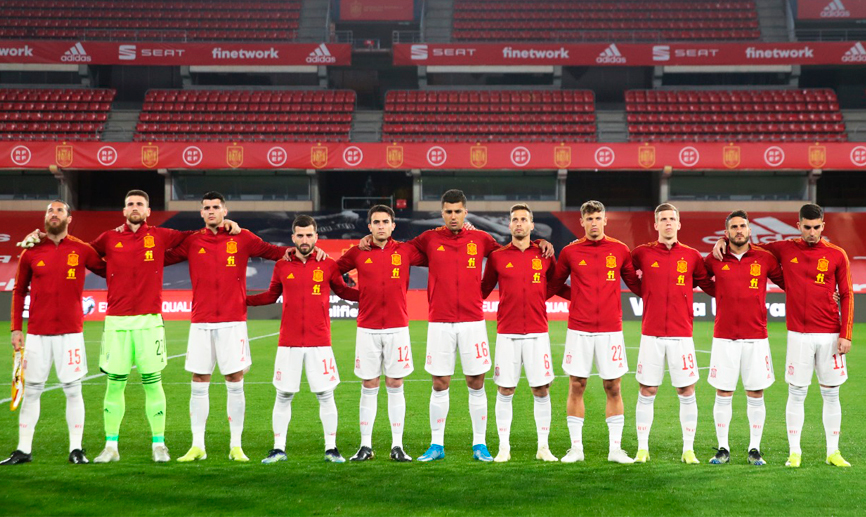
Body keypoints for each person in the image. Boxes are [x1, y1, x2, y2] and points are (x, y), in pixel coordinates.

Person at [360, 189, 553, 462]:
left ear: (465, 212)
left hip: (473, 322)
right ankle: (436, 445)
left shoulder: (481, 239)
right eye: (448, 212)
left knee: (477, 382)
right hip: (439, 322)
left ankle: (480, 444)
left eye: (458, 211)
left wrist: (540, 243)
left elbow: (514, 250)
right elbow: (397, 248)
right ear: (443, 213)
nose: (453, 216)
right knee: (439, 383)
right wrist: (371, 238)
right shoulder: (428, 239)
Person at [713, 203, 853, 468]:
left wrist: (845, 334)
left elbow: (847, 294)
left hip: (830, 334)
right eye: (807, 227)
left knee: (831, 394)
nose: (812, 232)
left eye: (816, 227)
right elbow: (743, 244)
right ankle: (795, 452)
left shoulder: (838, 254)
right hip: (798, 334)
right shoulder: (782, 248)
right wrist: (722, 240)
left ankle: (833, 452)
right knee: (797, 393)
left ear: (823, 226)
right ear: (798, 226)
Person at [164, 191, 290, 463]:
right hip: (201, 321)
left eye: (216, 207)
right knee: (199, 381)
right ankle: (197, 445)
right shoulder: (192, 240)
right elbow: (158, 257)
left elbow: (275, 252)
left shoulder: (242, 238)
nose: (211, 211)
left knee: (235, 380)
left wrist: (309, 249)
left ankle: (236, 446)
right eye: (206, 207)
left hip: (233, 321)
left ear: (225, 210)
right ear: (201, 213)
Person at [248, 215, 359, 464]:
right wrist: (241, 299)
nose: (305, 239)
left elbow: (343, 291)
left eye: (309, 235)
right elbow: (269, 296)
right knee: (283, 395)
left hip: (320, 341)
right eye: (300, 235)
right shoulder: (282, 265)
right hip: (288, 342)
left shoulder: (328, 265)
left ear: (316, 237)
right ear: (293, 238)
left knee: (326, 395)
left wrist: (372, 294)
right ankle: (278, 448)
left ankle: (331, 448)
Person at [1, 201, 105, 465]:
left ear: (69, 218)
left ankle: (76, 449)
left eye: (59, 211)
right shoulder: (31, 251)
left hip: (70, 333)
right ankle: (23, 450)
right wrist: (16, 328)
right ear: (45, 217)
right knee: (33, 390)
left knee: (73, 390)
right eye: (50, 211)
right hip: (37, 333)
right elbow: (19, 290)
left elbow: (108, 269)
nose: (54, 214)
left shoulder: (82, 249)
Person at [547, 200, 641, 464]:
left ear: (605, 220)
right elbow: (554, 284)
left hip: (611, 330)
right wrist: (575, 294)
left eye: (598, 218)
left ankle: (615, 449)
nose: (594, 223)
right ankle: (576, 449)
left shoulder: (620, 250)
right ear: (582, 222)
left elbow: (635, 284)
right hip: (579, 329)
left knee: (613, 386)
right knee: (577, 385)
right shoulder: (570, 252)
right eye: (589, 219)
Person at [336, 205, 426, 462]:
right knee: (369, 384)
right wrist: (353, 295)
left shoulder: (405, 250)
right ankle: (366, 446)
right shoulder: (357, 252)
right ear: (369, 226)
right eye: (376, 222)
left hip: (398, 328)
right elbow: (332, 273)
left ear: (393, 225)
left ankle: (397, 445)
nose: (381, 226)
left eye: (385, 221)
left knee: (396, 384)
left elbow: (436, 254)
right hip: (367, 328)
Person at [480, 203, 568, 463]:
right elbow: (482, 290)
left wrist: (576, 297)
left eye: (523, 219)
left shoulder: (544, 254)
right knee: (505, 390)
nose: (519, 223)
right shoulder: (497, 257)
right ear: (509, 225)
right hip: (507, 333)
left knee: (541, 389)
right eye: (514, 219)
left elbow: (555, 284)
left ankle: (543, 448)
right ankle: (503, 448)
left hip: (537, 332)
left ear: (531, 225)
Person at [630, 203, 714, 464]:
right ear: (655, 225)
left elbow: (710, 285)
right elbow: (627, 275)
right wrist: (646, 293)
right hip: (651, 334)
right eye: (663, 219)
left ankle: (688, 449)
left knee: (687, 390)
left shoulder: (691, 256)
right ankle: (642, 448)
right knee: (647, 389)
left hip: (681, 335)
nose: (668, 223)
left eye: (672, 219)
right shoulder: (641, 253)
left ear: (679, 224)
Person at [704, 211, 785, 466]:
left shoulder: (765, 258)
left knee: (756, 392)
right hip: (724, 336)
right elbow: (699, 279)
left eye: (743, 226)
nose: (739, 230)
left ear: (749, 230)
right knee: (723, 392)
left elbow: (791, 283)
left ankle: (754, 449)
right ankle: (723, 449)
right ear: (726, 232)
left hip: (756, 336)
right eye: (734, 227)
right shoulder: (714, 258)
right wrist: (721, 294)